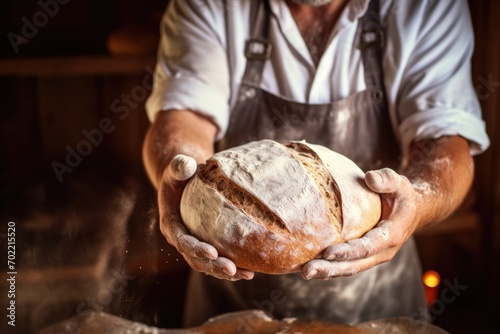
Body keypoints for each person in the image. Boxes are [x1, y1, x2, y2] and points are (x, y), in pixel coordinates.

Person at [142, 0, 490, 327]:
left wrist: (417, 201)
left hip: (377, 309)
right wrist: (180, 178)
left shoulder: (425, 6)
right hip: (233, 301)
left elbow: (446, 141)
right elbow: (183, 117)